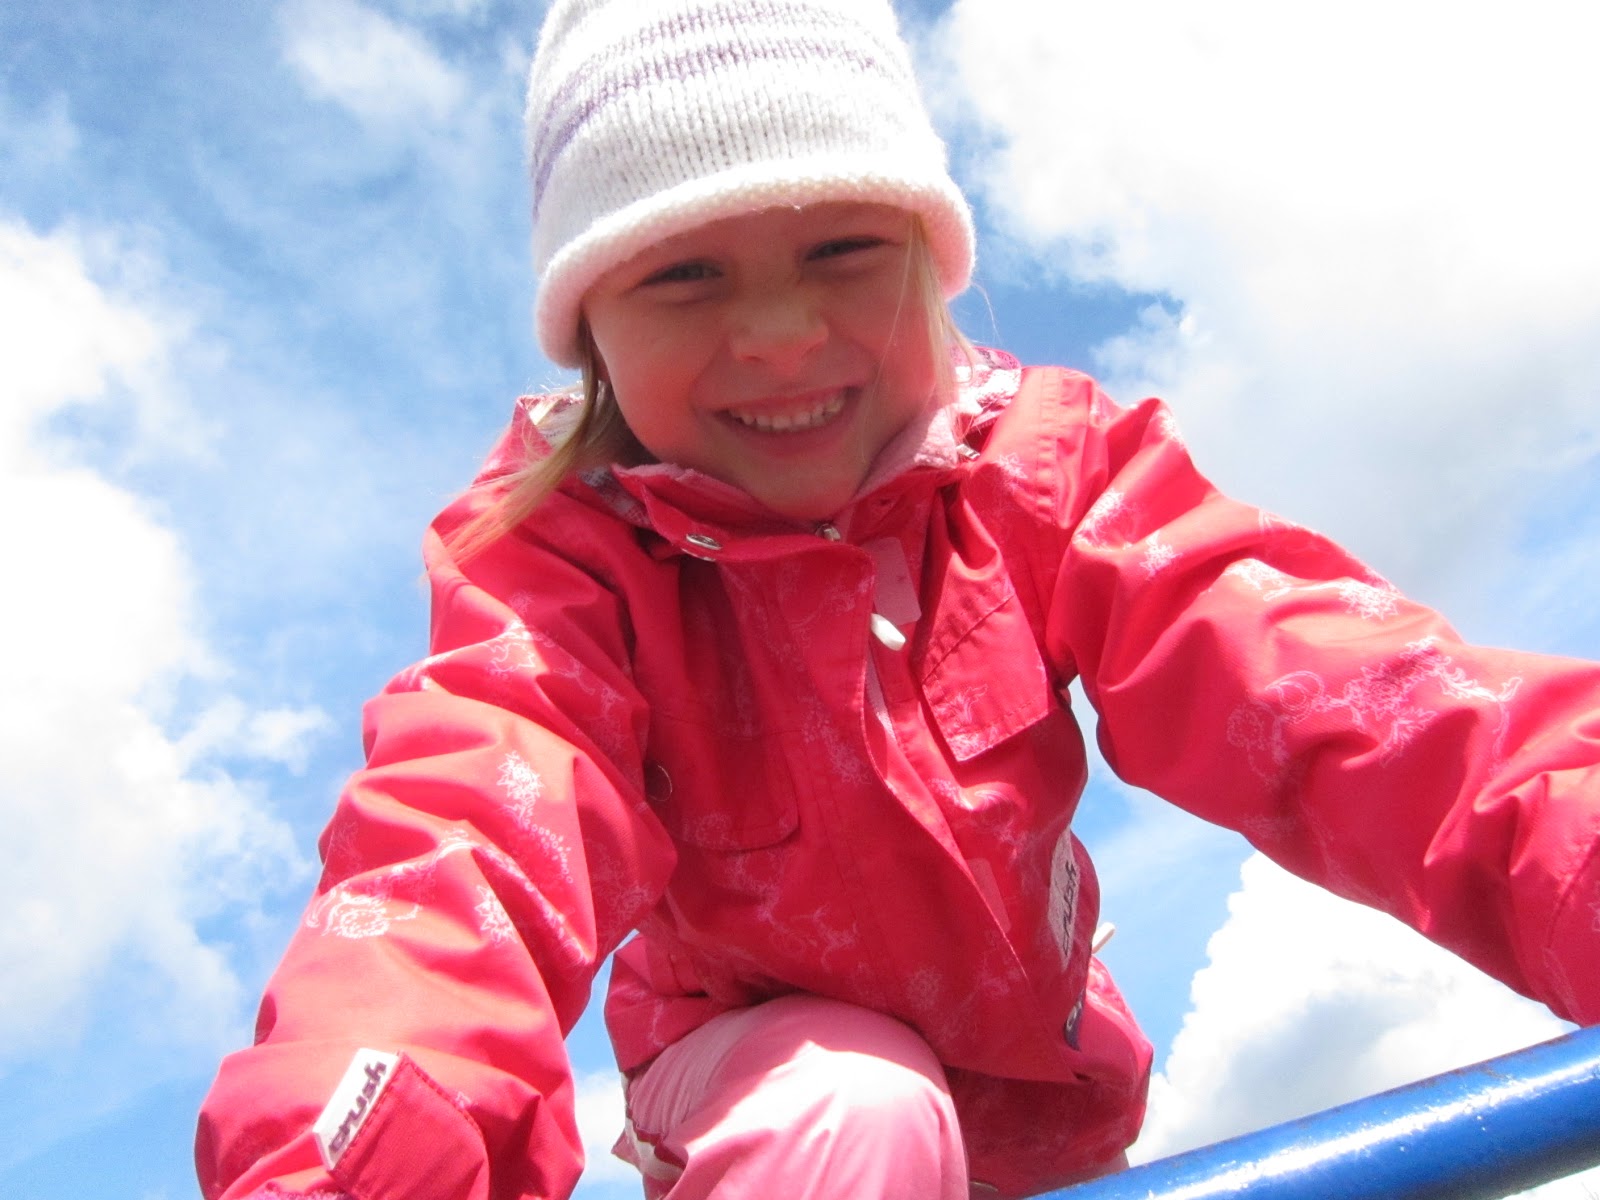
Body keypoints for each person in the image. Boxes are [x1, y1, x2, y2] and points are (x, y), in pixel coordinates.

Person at [195, 0, 1600, 1197]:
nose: (780, 332)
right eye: (684, 274)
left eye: (843, 249)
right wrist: (361, 1157)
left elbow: (1328, 690)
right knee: (855, 1099)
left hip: (1047, 1122)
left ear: (930, 255)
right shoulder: (565, 562)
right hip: (769, 1106)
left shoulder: (1043, 477)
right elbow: (469, 835)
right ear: (591, 331)